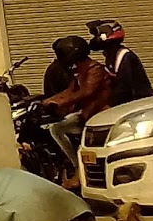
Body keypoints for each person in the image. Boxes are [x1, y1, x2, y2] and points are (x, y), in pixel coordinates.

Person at [42, 35, 114, 173]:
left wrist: (59, 102)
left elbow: (86, 92)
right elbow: (71, 90)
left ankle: (78, 167)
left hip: (97, 113)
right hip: (86, 113)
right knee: (55, 128)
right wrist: (49, 100)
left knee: (59, 129)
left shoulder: (94, 69)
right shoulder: (79, 70)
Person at [89, 19, 153, 108]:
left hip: (140, 104)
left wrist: (109, 105)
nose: (94, 39)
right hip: (131, 104)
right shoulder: (112, 56)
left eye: (97, 36)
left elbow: (124, 86)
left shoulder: (123, 56)